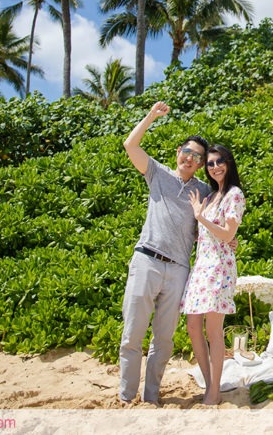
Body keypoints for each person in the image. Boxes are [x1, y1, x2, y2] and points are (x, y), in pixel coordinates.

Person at [119, 101, 212, 405]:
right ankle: (126, 397)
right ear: (178, 152)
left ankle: (151, 397)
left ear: (200, 164)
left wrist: (230, 239)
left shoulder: (204, 191)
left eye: (197, 157)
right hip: (146, 259)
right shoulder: (158, 173)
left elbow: (215, 224)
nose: (190, 158)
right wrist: (151, 116)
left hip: (179, 270)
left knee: (164, 340)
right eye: (187, 152)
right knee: (132, 334)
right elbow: (130, 144)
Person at [180, 144, 246, 405]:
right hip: (201, 266)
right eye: (210, 163)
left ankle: (214, 391)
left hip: (219, 268)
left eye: (220, 161)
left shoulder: (234, 194)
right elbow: (212, 235)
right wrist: (203, 222)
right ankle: (210, 384)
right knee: (193, 326)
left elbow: (228, 233)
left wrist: (201, 218)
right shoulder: (209, 196)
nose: (215, 167)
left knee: (213, 330)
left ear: (228, 163)